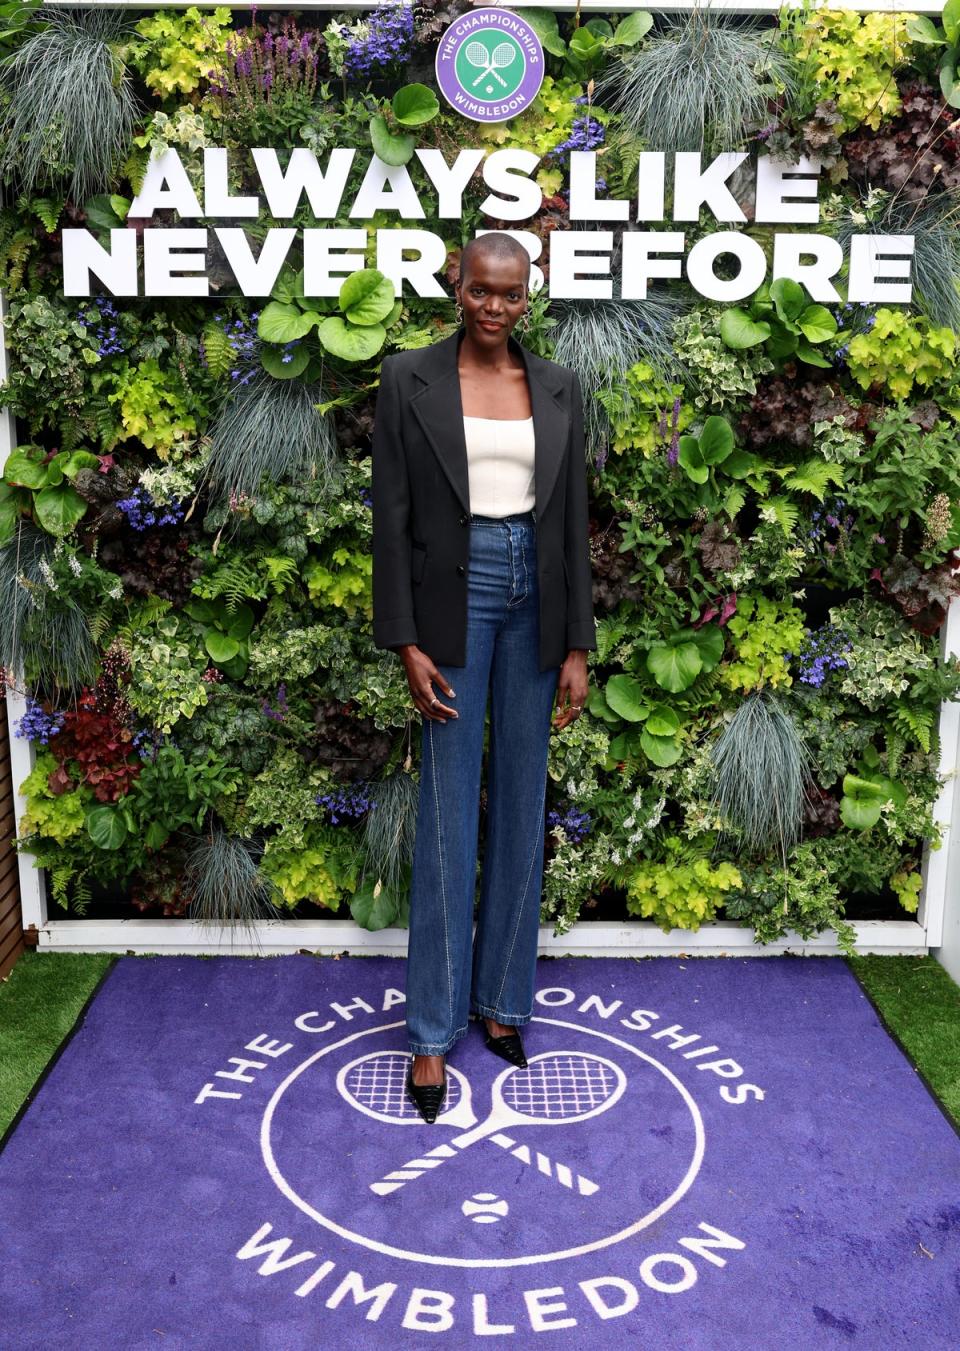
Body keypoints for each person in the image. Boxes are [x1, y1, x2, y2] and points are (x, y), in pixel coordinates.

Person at [371, 231, 597, 1123]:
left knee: (521, 805)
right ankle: (431, 1033)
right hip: (451, 602)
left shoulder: (558, 387)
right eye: (481, 291)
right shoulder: (408, 381)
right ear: (456, 288)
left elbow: (572, 520)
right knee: (445, 816)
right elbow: (389, 520)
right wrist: (405, 641)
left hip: (533, 602)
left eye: (512, 294)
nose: (496, 306)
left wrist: (577, 642)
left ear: (527, 297)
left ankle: (504, 1002)